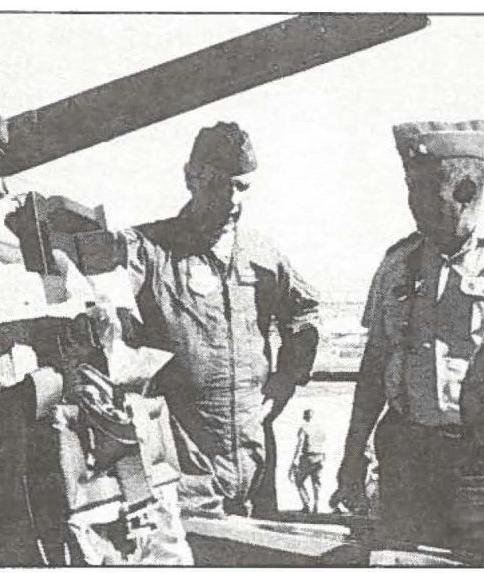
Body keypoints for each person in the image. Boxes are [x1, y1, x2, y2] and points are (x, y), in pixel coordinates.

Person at [82, 122, 320, 518]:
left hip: (255, 457)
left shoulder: (262, 254)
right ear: (190, 178)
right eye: (217, 185)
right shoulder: (151, 250)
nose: (232, 201)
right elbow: (100, 284)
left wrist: (285, 380)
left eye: (241, 187)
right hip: (187, 468)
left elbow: (304, 309)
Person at [331, 120, 484, 550]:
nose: (413, 203)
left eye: (426, 190)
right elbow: (374, 366)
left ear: (465, 191)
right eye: (410, 188)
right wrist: (353, 452)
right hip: (408, 458)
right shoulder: (398, 264)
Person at [290, 408, 326, 513]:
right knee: (316, 482)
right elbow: (324, 442)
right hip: (320, 457)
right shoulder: (320, 428)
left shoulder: (303, 428)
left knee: (299, 480)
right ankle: (317, 505)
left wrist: (294, 459)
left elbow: (300, 444)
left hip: (308, 458)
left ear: (304, 417)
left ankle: (307, 504)